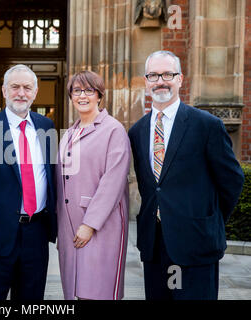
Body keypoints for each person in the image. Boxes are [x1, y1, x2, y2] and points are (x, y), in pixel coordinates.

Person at [128, 50, 244, 300]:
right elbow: (151, 187)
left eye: (168, 74)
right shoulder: (137, 132)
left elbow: (232, 180)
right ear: (146, 81)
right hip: (154, 245)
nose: (160, 81)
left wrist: (208, 219)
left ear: (180, 79)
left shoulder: (206, 125)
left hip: (195, 244)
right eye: (153, 75)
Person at [0, 64, 57, 300]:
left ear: (35, 92)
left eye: (27, 87)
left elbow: (53, 177)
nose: (21, 93)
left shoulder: (46, 127)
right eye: (15, 87)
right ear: (4, 91)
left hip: (36, 234)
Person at [56, 71, 130, 300]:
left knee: (97, 291)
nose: (82, 95)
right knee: (75, 291)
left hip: (101, 225)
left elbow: (113, 181)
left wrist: (90, 224)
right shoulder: (68, 133)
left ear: (99, 95)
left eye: (89, 90)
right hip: (69, 226)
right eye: (77, 90)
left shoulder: (113, 130)